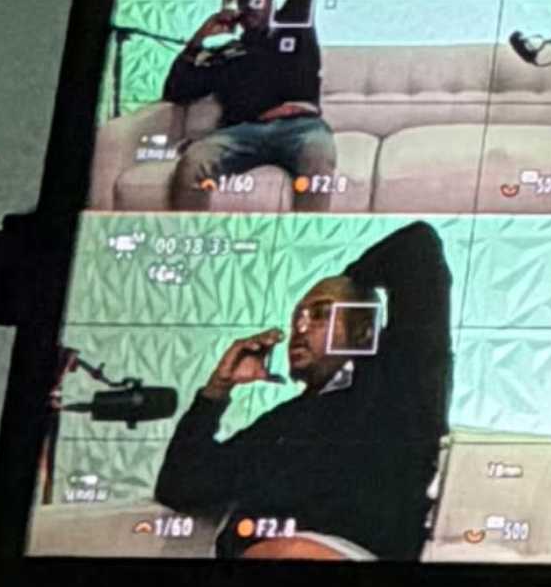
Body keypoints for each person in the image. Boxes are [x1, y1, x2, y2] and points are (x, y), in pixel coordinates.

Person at [152, 221, 454, 561]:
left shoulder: (400, 385)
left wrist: (351, 282)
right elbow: (178, 487)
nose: (300, 327)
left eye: (321, 314)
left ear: (363, 330)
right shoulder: (279, 424)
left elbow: (418, 248)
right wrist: (216, 391)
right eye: (298, 317)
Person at [156, 0, 342, 211]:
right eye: (244, 1)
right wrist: (198, 39)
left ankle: (303, 242)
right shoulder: (226, 53)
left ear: (270, 2)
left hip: (300, 128)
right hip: (241, 132)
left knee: (318, 156)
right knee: (194, 160)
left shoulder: (294, 28)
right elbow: (176, 92)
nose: (251, 5)